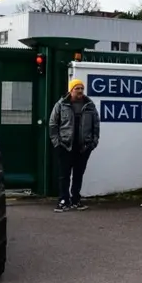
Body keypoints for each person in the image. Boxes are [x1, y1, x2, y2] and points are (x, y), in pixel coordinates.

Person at [48, 78, 100, 212]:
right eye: (77, 88)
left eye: (82, 88)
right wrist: (57, 143)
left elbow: (96, 125)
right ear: (71, 90)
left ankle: (76, 199)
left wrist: (93, 143)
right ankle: (63, 200)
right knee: (64, 175)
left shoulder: (89, 105)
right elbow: (53, 124)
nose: (80, 91)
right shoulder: (61, 105)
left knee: (78, 174)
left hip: (83, 147)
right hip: (65, 146)